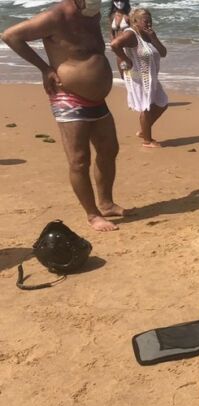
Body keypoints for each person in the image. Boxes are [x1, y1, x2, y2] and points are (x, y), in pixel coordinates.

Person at [2, 0, 126, 232]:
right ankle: (93, 215)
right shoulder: (56, 16)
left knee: (109, 149)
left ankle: (106, 203)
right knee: (79, 159)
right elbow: (11, 35)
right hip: (69, 97)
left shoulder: (92, 14)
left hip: (97, 99)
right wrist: (44, 68)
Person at [110, 8, 169, 148]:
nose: (149, 23)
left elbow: (163, 53)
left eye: (150, 20)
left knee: (162, 102)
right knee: (146, 107)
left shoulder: (148, 35)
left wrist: (154, 38)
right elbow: (114, 45)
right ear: (135, 21)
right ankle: (147, 141)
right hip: (138, 76)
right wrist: (126, 61)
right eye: (145, 20)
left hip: (150, 76)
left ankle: (144, 131)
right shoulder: (131, 34)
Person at [108, 0, 131, 78]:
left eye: (122, 0)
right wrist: (112, 43)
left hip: (128, 48)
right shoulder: (112, 16)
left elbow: (135, 31)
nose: (119, 2)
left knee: (131, 73)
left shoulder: (129, 15)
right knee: (123, 74)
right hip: (119, 49)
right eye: (117, 0)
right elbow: (111, 32)